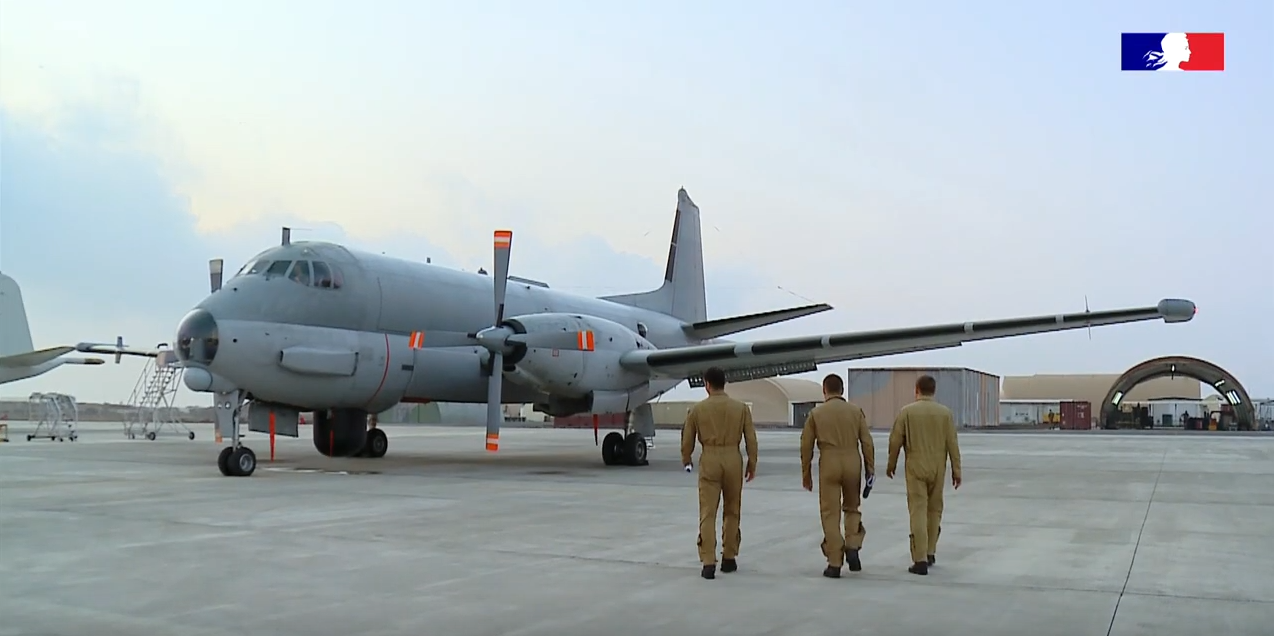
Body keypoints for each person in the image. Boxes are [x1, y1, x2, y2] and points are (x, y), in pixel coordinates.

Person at [680, 366, 759, 580]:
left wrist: (686, 459)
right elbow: (751, 438)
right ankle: (729, 557)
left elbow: (687, 440)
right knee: (732, 510)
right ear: (724, 383)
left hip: (710, 458)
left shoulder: (697, 410)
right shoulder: (741, 408)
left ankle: (708, 562)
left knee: (708, 512)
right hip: (733, 458)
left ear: (707, 384)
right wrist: (752, 463)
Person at [800, 372, 875, 578]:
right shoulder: (855, 411)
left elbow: (806, 445)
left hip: (829, 462)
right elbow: (867, 442)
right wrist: (870, 469)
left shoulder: (817, 413)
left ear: (824, 390)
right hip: (852, 460)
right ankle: (852, 544)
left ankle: (834, 561)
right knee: (852, 507)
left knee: (830, 513)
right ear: (842, 390)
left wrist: (806, 472)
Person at [886, 374, 962, 575]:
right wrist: (957, 470)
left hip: (915, 466)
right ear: (933, 391)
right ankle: (930, 551)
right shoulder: (945, 414)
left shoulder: (907, 412)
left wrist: (891, 464)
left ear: (916, 390)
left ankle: (919, 559)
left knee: (918, 511)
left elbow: (895, 441)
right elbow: (952, 443)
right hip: (938, 466)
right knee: (934, 510)